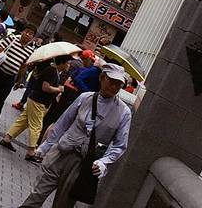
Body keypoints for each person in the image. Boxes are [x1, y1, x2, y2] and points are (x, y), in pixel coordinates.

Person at [18, 64, 132, 208]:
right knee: (37, 194)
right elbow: (63, 123)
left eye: (119, 84)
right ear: (102, 78)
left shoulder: (123, 112)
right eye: (111, 81)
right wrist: (45, 146)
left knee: (64, 203)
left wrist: (104, 162)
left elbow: (120, 145)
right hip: (60, 153)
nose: (114, 87)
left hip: (82, 164)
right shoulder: (85, 98)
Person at [1, 56, 71, 160]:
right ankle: (31, 152)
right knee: (36, 126)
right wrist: (58, 89)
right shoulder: (51, 71)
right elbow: (45, 87)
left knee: (23, 121)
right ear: (62, 63)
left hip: (35, 99)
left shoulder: (54, 71)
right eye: (67, 63)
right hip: (38, 101)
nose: (69, 65)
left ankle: (7, 138)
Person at [40, 50, 99, 143]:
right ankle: (41, 138)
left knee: (52, 116)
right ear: (85, 59)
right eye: (90, 60)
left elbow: (70, 78)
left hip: (64, 92)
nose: (90, 62)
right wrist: (88, 92)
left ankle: (41, 136)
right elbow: (72, 78)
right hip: (68, 95)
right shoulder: (83, 68)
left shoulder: (82, 68)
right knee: (56, 119)